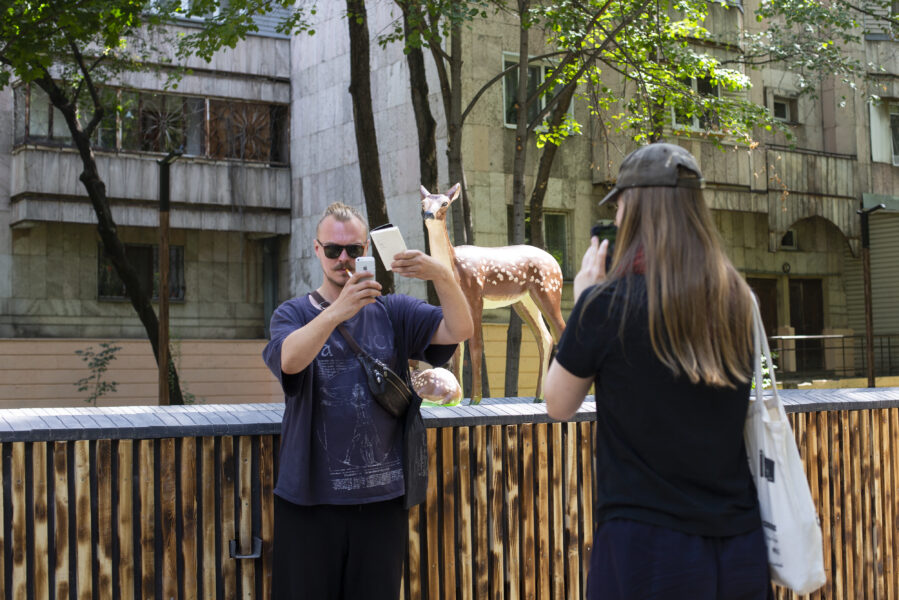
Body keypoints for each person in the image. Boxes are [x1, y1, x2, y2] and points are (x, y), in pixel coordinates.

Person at [545, 143, 771, 599]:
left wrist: (584, 299)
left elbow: (558, 403)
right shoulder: (739, 300)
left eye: (619, 205)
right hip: (739, 546)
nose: (616, 217)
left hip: (646, 548)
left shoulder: (605, 305)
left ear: (634, 208)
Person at [263, 202, 473, 600]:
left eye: (353, 250)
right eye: (333, 250)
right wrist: (336, 312)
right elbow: (289, 360)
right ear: (317, 249)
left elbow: (460, 328)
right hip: (308, 501)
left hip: (381, 501)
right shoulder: (292, 313)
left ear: (367, 251)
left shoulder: (394, 311)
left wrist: (441, 274)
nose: (343, 259)